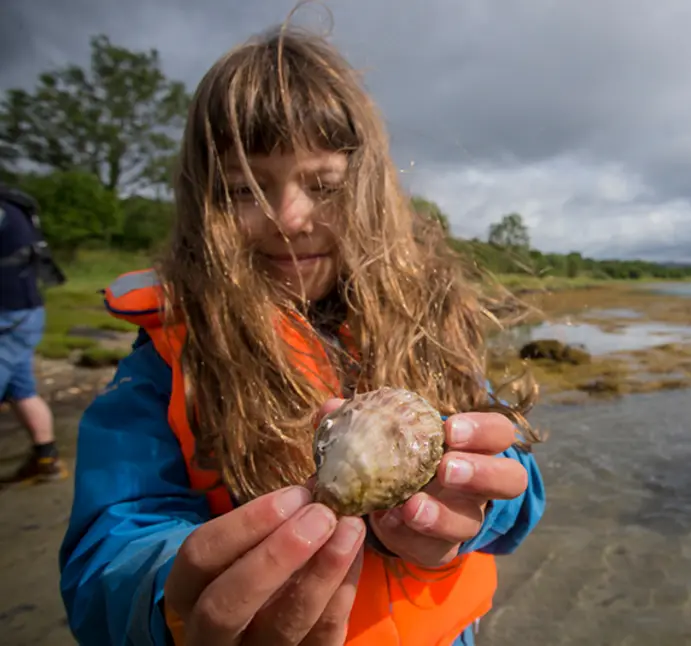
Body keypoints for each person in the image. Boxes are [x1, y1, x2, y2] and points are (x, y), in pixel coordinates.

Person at [58, 22, 546, 646]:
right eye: (243, 189)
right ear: (201, 202)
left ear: (370, 193)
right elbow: (110, 542)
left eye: (325, 187)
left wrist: (479, 504)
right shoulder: (167, 362)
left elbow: (520, 486)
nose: (289, 218)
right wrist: (172, 592)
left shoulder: (431, 323)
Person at [0, 185, 65, 483]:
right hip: (25, 312)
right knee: (21, 389)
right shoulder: (14, 208)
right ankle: (46, 456)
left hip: (9, 315)